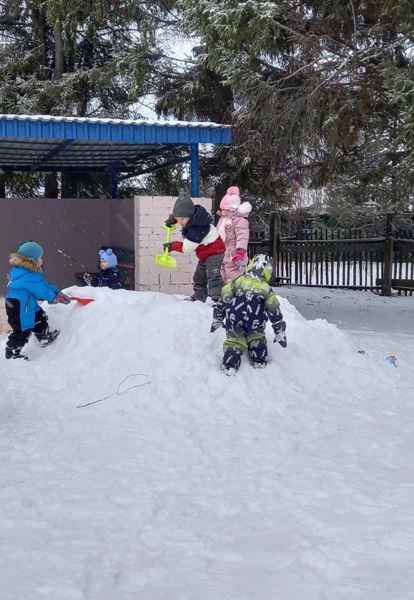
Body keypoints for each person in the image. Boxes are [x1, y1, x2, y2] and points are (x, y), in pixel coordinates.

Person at [164, 191, 225, 331]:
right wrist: (173, 219)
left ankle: (217, 301)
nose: (179, 222)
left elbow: (186, 248)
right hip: (205, 253)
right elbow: (180, 215)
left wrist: (172, 246)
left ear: (189, 217)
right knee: (198, 277)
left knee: (213, 275)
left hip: (215, 252)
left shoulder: (198, 228)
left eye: (181, 220)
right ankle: (199, 297)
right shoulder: (191, 215)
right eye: (177, 218)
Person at [220, 254, 287, 375]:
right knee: (257, 337)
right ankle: (258, 358)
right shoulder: (265, 288)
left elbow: (225, 296)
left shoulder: (238, 281)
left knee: (234, 340)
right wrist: (279, 329)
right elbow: (274, 310)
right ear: (268, 271)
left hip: (235, 319)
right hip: (255, 322)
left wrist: (218, 316)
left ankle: (230, 363)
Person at [5, 241, 71, 360]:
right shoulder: (29, 276)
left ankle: (44, 336)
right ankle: (12, 352)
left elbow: (43, 285)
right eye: (40, 258)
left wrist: (56, 292)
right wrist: (54, 297)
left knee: (39, 316)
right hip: (20, 306)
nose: (42, 260)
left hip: (25, 304)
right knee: (22, 330)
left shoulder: (23, 271)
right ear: (32, 260)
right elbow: (42, 290)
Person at [217, 186, 252, 283]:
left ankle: (237, 294)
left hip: (235, 255)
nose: (223, 212)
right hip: (223, 253)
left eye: (226, 210)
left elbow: (242, 236)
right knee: (223, 276)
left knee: (234, 277)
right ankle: (225, 295)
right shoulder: (223, 220)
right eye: (222, 209)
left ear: (232, 209)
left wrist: (240, 252)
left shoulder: (240, 221)